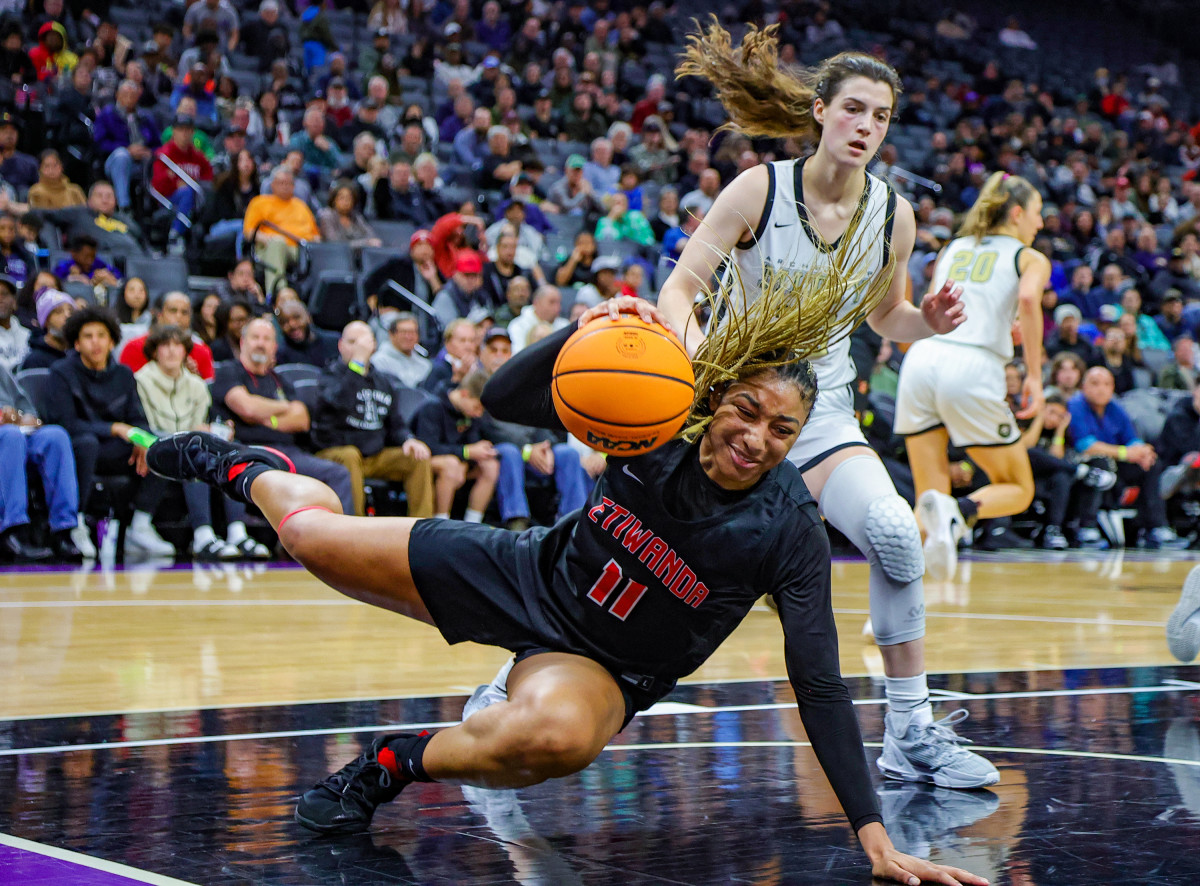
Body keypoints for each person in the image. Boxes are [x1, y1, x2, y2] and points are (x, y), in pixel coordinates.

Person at [143, 290, 987, 886]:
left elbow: (818, 682)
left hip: (604, 666)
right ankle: (246, 467)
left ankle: (389, 764)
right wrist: (583, 335)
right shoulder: (653, 413)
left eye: (783, 430)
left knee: (550, 742)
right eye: (746, 410)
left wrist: (875, 838)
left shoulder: (790, 529)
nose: (756, 438)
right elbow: (501, 398)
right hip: (530, 575)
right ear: (717, 392)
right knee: (308, 539)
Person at [655, 26, 996, 790]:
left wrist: (927, 325)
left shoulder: (892, 215)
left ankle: (909, 732)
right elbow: (680, 288)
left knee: (894, 535)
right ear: (820, 111)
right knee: (660, 568)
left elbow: (887, 318)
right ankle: (521, 681)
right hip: (736, 413)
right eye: (852, 109)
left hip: (826, 420)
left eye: (879, 115)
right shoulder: (758, 190)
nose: (865, 126)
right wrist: (698, 362)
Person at [893, 172, 1050, 578]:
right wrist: (1034, 374)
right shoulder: (1028, 256)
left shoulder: (953, 247)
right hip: (971, 366)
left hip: (923, 360)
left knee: (927, 499)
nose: (1042, 223)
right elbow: (1030, 299)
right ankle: (961, 511)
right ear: (1017, 213)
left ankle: (886, 611)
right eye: (1037, 213)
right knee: (1018, 488)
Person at [42, 307, 175, 558]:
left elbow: (138, 419)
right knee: (87, 443)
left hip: (115, 450)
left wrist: (142, 440)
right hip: (76, 449)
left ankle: (141, 526)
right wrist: (114, 428)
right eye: (88, 336)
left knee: (160, 445)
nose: (96, 342)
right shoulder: (61, 372)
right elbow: (65, 423)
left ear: (112, 340)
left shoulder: (124, 374)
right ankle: (76, 523)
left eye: (101, 335)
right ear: (77, 343)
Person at [134, 324, 256, 560]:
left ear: (185, 351)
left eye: (177, 345)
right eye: (164, 345)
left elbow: (202, 423)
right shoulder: (140, 381)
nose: (171, 351)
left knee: (228, 449)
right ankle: (202, 535)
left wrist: (217, 430)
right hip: (157, 446)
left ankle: (237, 532)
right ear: (154, 351)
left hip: (189, 445)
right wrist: (193, 431)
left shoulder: (198, 385)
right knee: (192, 451)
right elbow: (146, 425)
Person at [309, 321, 434, 518]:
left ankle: (422, 528)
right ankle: (356, 527)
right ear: (340, 345)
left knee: (416, 458)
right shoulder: (329, 375)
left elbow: (395, 423)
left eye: (363, 343)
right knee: (350, 455)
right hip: (335, 451)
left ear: (373, 346)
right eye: (352, 342)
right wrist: (357, 365)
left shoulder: (384, 381)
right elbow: (337, 403)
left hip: (374, 455)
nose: (359, 348)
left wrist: (409, 439)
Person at [0, 362, 82, 561]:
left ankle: (62, 531)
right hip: (8, 439)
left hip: (17, 436)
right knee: (11, 437)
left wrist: (22, 417)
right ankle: (11, 533)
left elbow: (27, 409)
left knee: (56, 436)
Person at [119, 291, 216, 381]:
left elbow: (209, 392)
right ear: (159, 316)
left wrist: (193, 377)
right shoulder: (134, 348)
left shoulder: (202, 352)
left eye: (184, 312)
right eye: (173, 311)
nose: (179, 316)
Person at [370, 312, 432, 389]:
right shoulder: (379, 362)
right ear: (391, 334)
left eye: (412, 332)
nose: (408, 337)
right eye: (404, 332)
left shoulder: (425, 365)